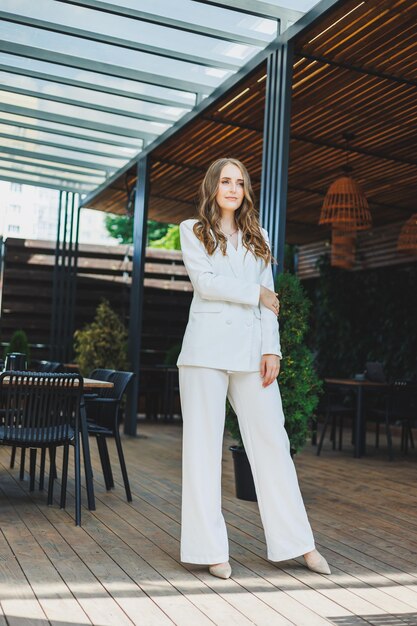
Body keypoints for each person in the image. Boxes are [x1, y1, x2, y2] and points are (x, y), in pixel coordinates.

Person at [176, 157, 331, 579]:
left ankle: (298, 543)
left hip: (250, 352)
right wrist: (256, 292)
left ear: (245, 191)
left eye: (240, 183)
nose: (232, 188)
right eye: (225, 181)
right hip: (205, 351)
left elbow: (272, 303)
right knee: (203, 449)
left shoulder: (257, 235)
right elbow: (205, 284)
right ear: (212, 186)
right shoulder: (192, 230)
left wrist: (273, 351)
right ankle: (210, 549)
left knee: (272, 443)